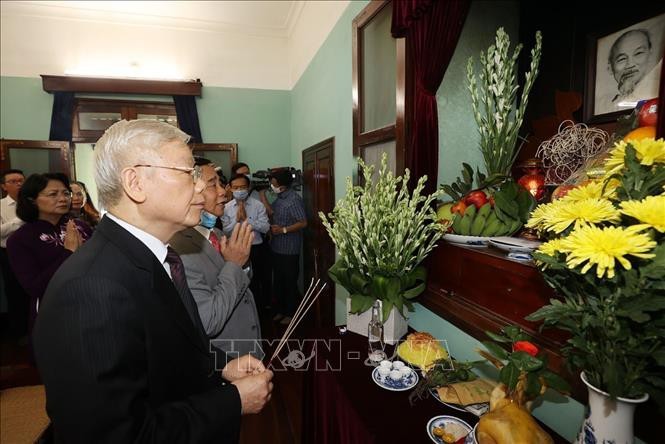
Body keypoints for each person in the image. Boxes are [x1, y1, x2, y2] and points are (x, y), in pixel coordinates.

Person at [33, 120, 273, 443]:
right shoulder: (89, 289)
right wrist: (233, 400)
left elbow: (169, 348)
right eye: (188, 174)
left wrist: (222, 367)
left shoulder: (158, 255)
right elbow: (118, 435)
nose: (200, 187)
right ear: (135, 183)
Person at [170, 159, 262, 359]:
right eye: (213, 185)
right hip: (222, 360)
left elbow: (241, 281)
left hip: (246, 346)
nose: (223, 192)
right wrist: (234, 264)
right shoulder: (179, 249)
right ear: (192, 191)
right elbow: (209, 321)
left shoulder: (217, 233)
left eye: (222, 184)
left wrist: (243, 264)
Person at [7, 173, 91, 336]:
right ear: (32, 200)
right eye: (53, 194)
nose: (63, 198)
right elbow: (35, 287)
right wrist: (68, 253)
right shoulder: (20, 239)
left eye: (66, 193)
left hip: (91, 304)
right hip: (53, 312)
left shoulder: (81, 227)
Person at [222, 174, 271, 311]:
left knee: (257, 281)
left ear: (248, 188)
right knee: (239, 280)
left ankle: (259, 310)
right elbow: (225, 231)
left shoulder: (258, 205)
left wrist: (248, 221)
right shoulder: (226, 207)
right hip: (234, 249)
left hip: (255, 248)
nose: (239, 190)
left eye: (243, 187)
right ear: (230, 188)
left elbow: (266, 227)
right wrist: (237, 221)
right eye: (236, 187)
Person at [268, 170, 307, 325]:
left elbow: (303, 222)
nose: (271, 185)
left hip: (290, 249)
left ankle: (292, 314)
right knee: (278, 282)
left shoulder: (293, 200)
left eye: (273, 183)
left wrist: (283, 230)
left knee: (290, 282)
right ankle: (281, 310)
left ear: (282, 185)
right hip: (276, 247)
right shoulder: (279, 198)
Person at [598, 28, 662, 113]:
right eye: (622, 59)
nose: (630, 64)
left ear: (650, 54)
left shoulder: (657, 92)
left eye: (638, 53)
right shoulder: (604, 106)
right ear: (610, 68)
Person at [1, 169, 27, 337]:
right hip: (8, 254)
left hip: (32, 252)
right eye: (13, 181)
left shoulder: (33, 203)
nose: (19, 184)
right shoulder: (1, 205)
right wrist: (20, 219)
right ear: (4, 186)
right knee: (14, 292)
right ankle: (19, 332)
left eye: (21, 180)